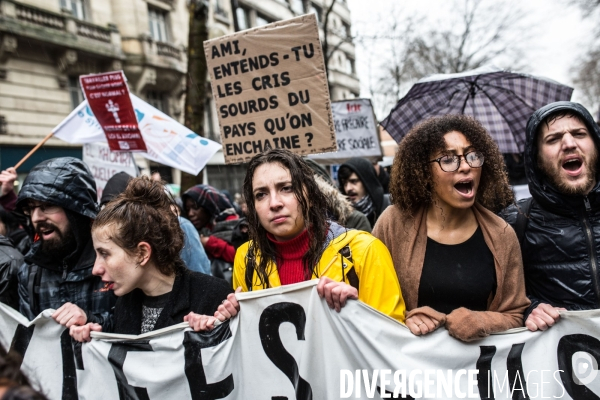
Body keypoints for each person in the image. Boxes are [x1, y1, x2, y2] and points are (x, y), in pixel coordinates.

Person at [373, 115, 529, 342]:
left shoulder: (502, 234)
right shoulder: (393, 223)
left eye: (472, 155)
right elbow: (370, 301)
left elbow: (516, 314)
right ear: (423, 172)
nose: (465, 166)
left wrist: (483, 321)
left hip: (478, 372)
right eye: (448, 159)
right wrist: (404, 318)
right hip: (409, 372)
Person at [215, 149, 406, 323]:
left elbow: (391, 341)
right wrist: (231, 322)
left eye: (286, 188)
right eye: (261, 194)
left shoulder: (365, 251)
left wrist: (357, 312)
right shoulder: (246, 259)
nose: (274, 203)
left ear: (311, 195)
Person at [69, 176, 232, 341]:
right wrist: (95, 334)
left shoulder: (214, 297)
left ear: (142, 253)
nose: (95, 269)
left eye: (105, 254)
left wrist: (215, 331)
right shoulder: (125, 304)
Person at [500, 102, 600, 332]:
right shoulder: (514, 223)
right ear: (537, 159)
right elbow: (495, 297)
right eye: (553, 139)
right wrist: (528, 308)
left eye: (579, 134)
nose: (569, 143)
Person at [14, 157, 116, 327]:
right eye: (31, 208)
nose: (36, 218)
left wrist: (92, 320)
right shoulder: (30, 273)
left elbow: (137, 330)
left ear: (76, 210)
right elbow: (27, 341)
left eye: (47, 205)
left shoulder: (114, 261)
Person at [100, 172, 211, 275]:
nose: (112, 218)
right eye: (106, 208)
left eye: (119, 210)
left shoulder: (182, 226)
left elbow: (200, 274)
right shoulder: (111, 237)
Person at [182, 185, 244, 282]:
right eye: (187, 209)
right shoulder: (193, 231)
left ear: (208, 206)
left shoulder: (233, 223)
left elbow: (241, 256)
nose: (191, 213)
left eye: (195, 207)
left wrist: (209, 243)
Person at [337, 158, 390, 227]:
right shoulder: (342, 217)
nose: (348, 188)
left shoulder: (388, 206)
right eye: (344, 183)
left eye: (354, 181)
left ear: (367, 182)